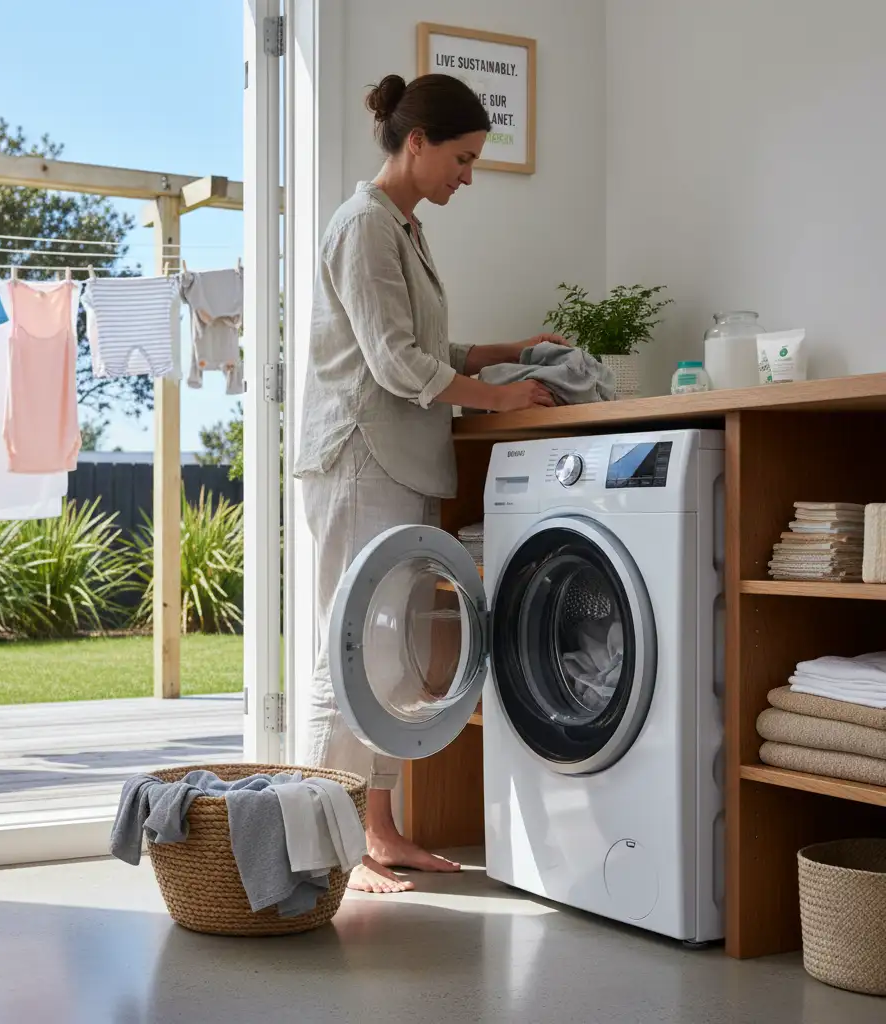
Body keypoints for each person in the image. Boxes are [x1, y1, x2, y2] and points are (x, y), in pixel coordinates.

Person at [294, 73, 567, 894]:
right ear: (416, 143)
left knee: (393, 660)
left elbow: (424, 353)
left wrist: (493, 355)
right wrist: (500, 396)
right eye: (463, 158)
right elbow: (393, 364)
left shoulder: (403, 228)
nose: (468, 175)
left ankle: (376, 832)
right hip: (360, 458)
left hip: (402, 458)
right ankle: (317, 852)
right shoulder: (364, 228)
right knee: (345, 653)